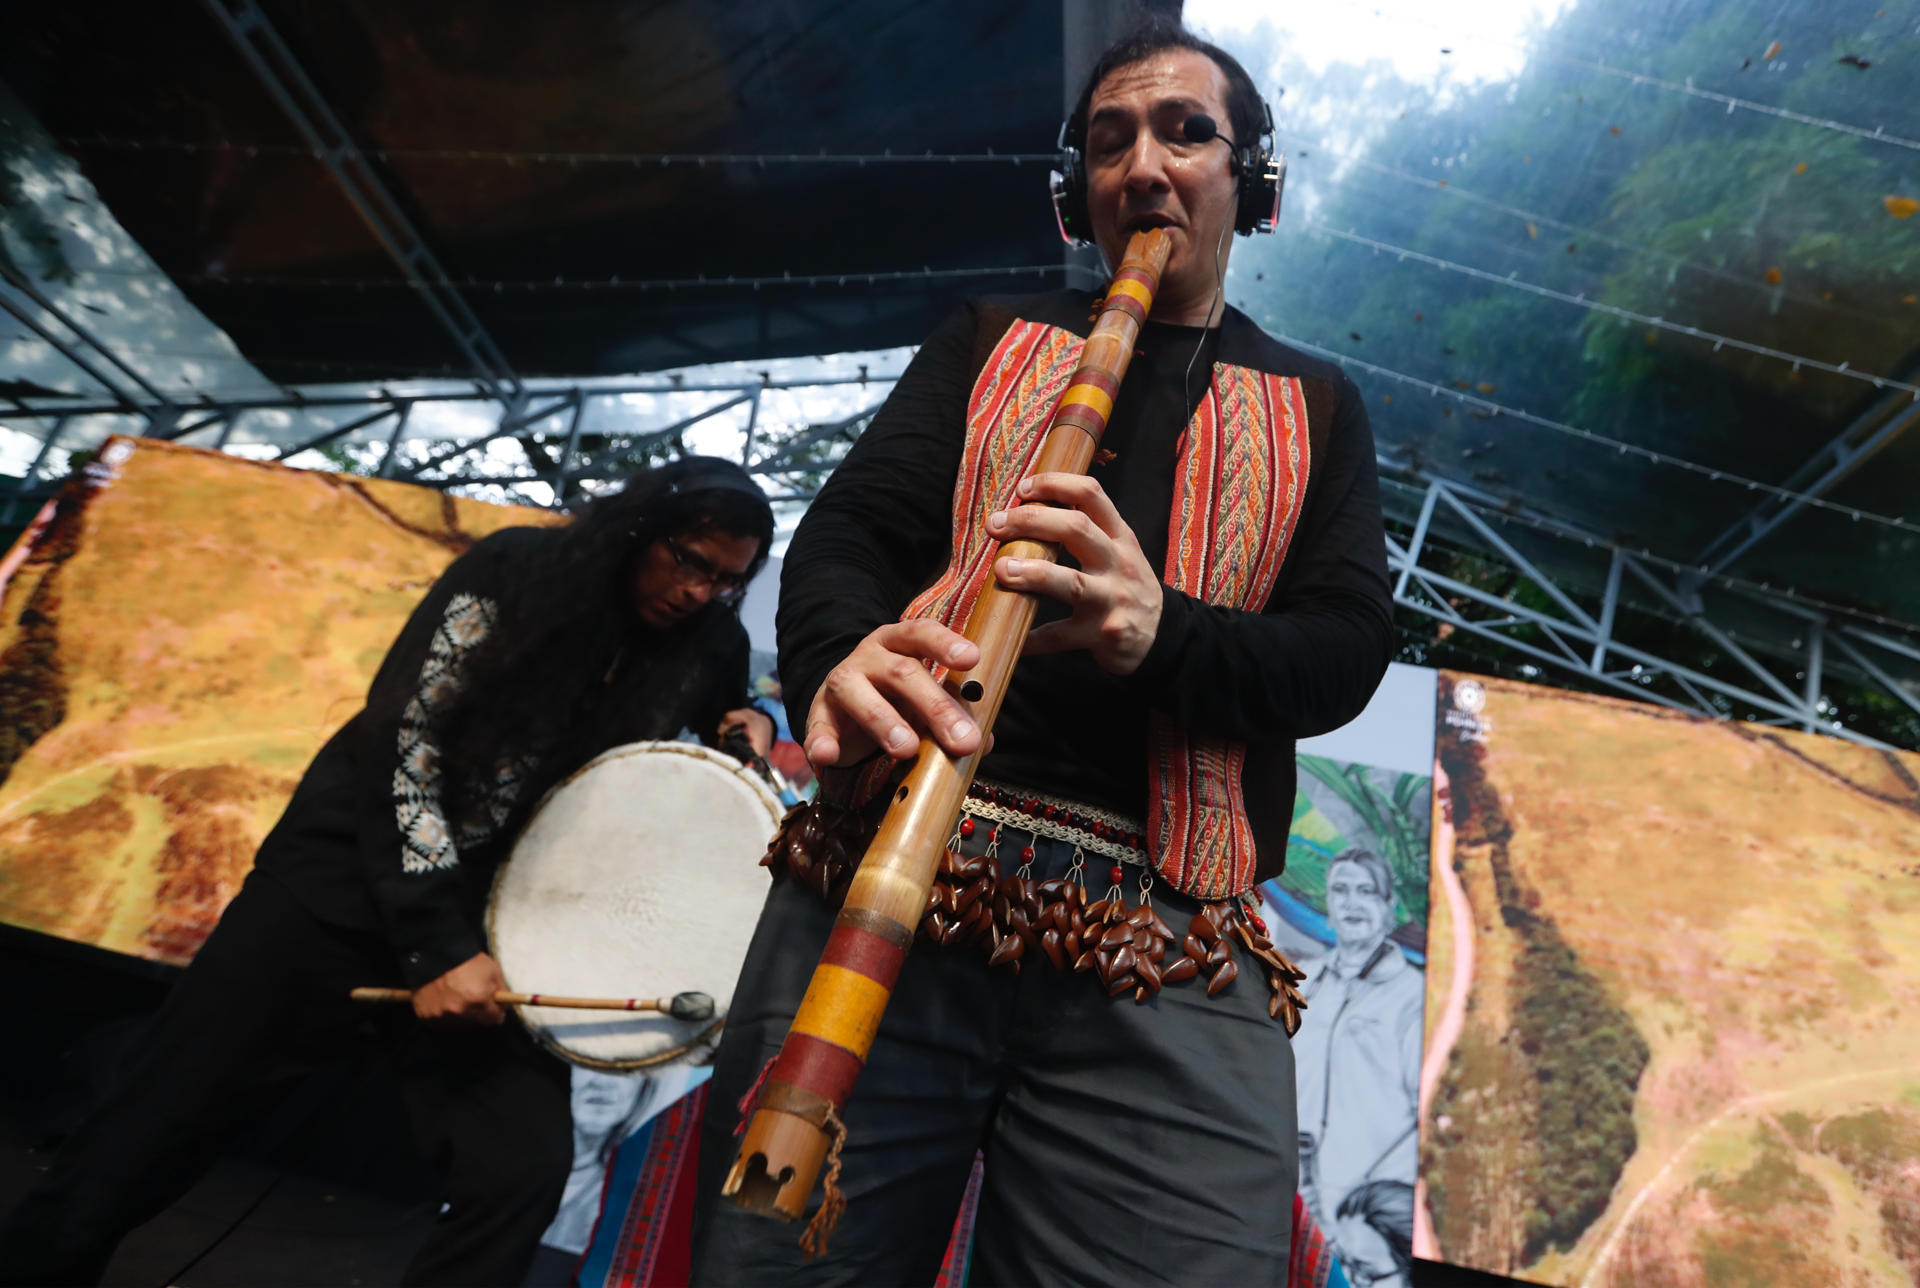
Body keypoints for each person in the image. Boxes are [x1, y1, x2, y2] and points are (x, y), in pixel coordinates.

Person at [691, 19, 1392, 1286]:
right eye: (1111, 138)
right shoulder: (984, 335)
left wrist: (1161, 630)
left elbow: (1343, 649)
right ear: (1078, 192)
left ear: (1254, 184)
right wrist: (842, 650)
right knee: (780, 1265)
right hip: (885, 875)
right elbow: (853, 530)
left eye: (1187, 132)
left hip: (1167, 944)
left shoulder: (1321, 404)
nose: (1146, 164)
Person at [0, 456, 776, 1287]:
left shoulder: (709, 646)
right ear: (638, 531)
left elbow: (708, 741)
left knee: (518, 1171)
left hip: (500, 948)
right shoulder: (512, 573)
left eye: (727, 581)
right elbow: (405, 745)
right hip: (331, 903)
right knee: (146, 1137)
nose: (700, 592)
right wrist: (437, 946)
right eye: (690, 562)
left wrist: (752, 726)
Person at [1293, 849, 1424, 1243]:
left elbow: (1425, 1116)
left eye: (1366, 891)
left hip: (1363, 1213)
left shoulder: (1414, 995)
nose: (1352, 903)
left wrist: (1371, 1202)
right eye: (1341, 891)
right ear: (1329, 905)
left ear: (1388, 906)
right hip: (1290, 1191)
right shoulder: (1301, 982)